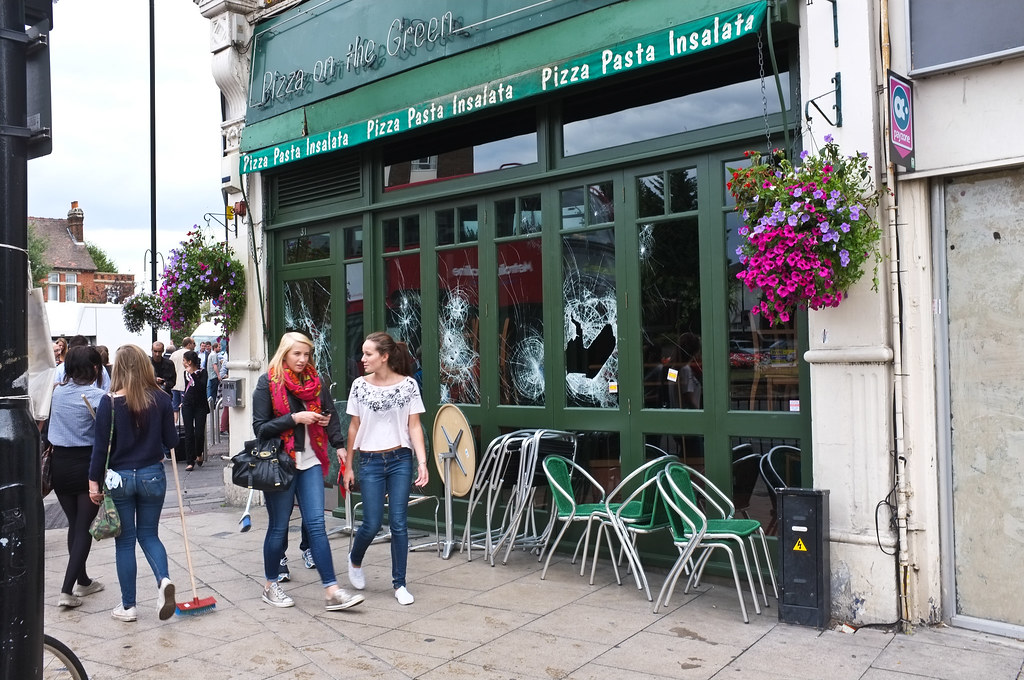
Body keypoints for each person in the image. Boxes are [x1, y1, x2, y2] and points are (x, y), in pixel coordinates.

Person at [251, 331, 363, 611]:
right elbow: (260, 428)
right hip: (281, 463)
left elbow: (330, 413)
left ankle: (332, 590)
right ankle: (270, 584)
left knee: (316, 526)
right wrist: (294, 418)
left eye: (306, 354)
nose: (302, 359)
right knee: (278, 527)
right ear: (285, 353)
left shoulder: (315, 381)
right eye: (296, 354)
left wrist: (335, 439)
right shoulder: (268, 382)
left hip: (311, 461)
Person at [89, 344, 178, 623]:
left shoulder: (110, 403)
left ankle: (128, 607)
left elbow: (99, 450)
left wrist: (93, 484)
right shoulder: (161, 399)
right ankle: (163, 581)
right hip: (152, 474)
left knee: (125, 542)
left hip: (120, 478)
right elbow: (173, 442)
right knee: (150, 534)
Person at [345, 332, 429, 606]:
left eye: (368, 354)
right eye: (363, 353)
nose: (363, 358)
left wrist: (422, 461)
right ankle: (355, 559)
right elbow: (354, 427)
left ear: (385, 356)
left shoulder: (408, 386)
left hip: (400, 459)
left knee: (399, 523)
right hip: (369, 461)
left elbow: (414, 425)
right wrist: (348, 467)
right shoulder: (359, 385)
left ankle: (399, 584)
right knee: (370, 523)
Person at [50, 346, 107, 608]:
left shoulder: (57, 393)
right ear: (95, 368)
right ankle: (66, 590)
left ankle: (83, 580)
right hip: (87, 466)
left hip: (59, 465)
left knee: (75, 522)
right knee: (83, 526)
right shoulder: (98, 397)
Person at [180, 350, 209, 471]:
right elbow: (189, 388)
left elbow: (201, 387)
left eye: (184, 360)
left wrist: (193, 374)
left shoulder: (203, 372)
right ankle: (190, 460)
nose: (183, 363)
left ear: (189, 362)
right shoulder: (185, 373)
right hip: (188, 404)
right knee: (189, 433)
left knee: (199, 432)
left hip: (200, 405)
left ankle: (199, 453)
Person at [169, 337, 195, 422]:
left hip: (175, 384)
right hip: (186, 385)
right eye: (193, 343)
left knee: (175, 409)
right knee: (186, 409)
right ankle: (186, 426)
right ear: (189, 344)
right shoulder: (191, 354)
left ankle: (174, 426)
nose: (195, 345)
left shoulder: (174, 354)